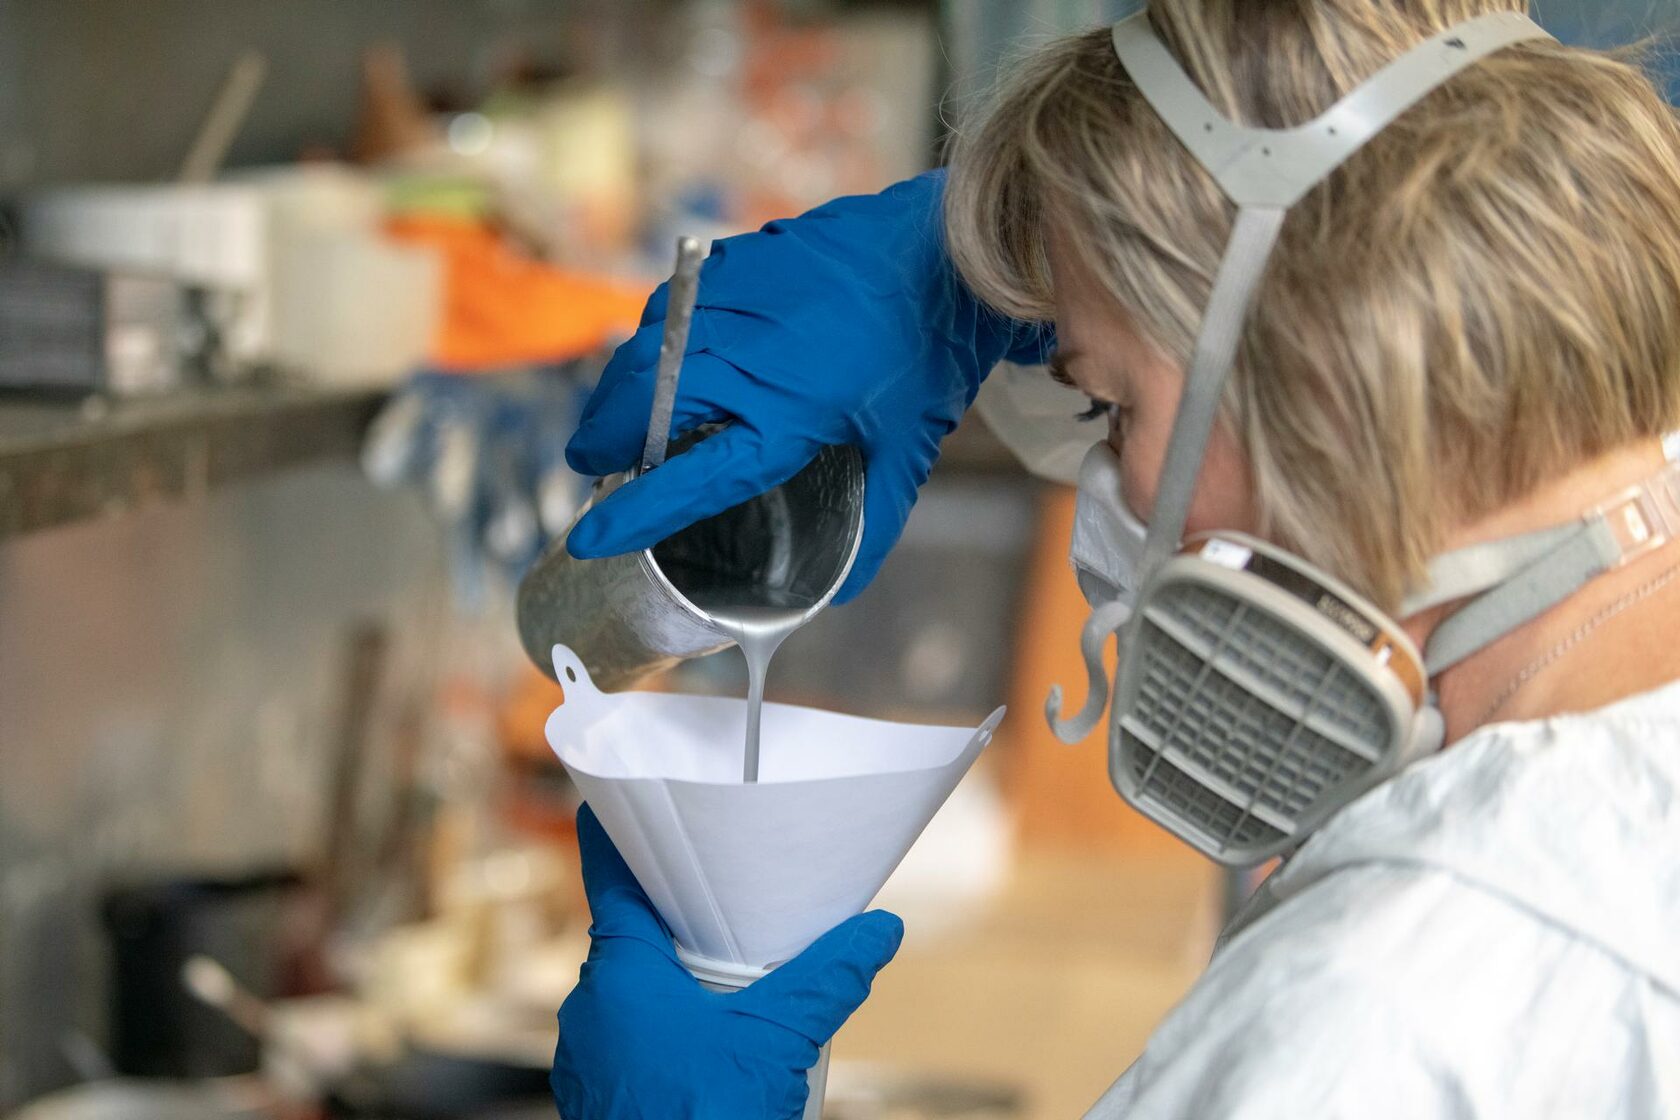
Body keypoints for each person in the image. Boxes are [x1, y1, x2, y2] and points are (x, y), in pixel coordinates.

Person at [550, 1, 1680, 1115]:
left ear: (1328, 377)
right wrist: (987, 265)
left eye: (1107, 409)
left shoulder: (1391, 1010)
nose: (1113, 496)